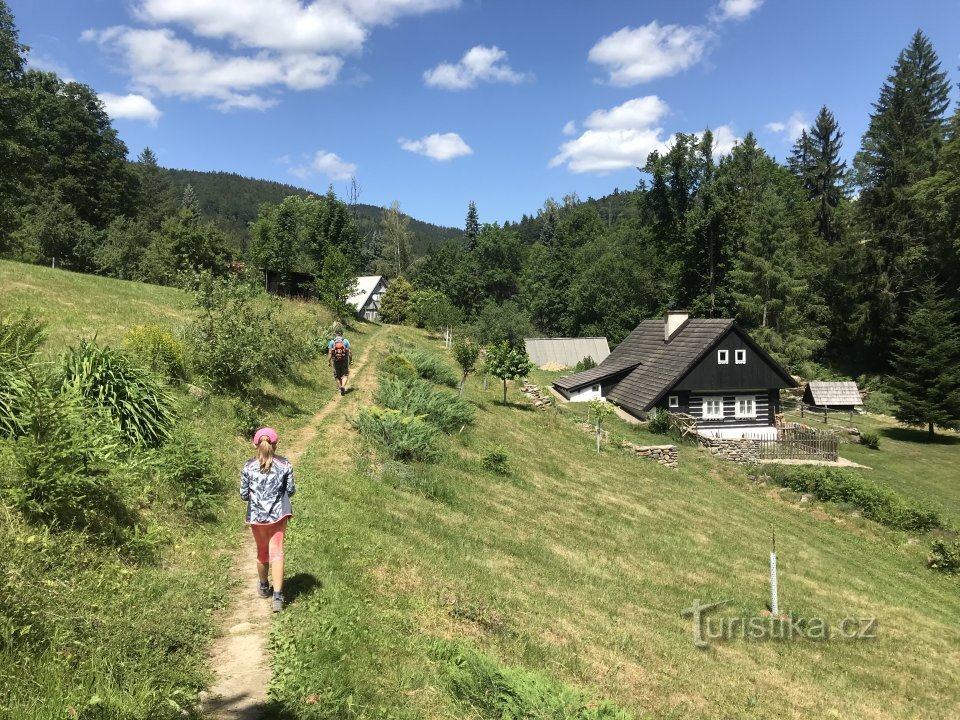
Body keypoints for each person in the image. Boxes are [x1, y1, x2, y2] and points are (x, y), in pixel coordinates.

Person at [240, 427, 295, 612]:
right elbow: (291, 490)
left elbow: (243, 495)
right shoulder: (285, 464)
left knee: (262, 551)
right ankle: (278, 597)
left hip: (256, 516)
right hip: (278, 514)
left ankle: (264, 586)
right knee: (277, 552)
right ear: (276, 444)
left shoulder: (248, 467)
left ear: (255, 445)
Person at [328, 331, 352, 396]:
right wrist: (350, 360)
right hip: (344, 360)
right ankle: (343, 387)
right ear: (341, 334)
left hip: (335, 360)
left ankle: (340, 388)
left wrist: (329, 361)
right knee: (345, 374)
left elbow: (330, 353)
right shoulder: (345, 341)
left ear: (335, 335)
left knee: (337, 375)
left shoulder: (332, 342)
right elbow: (349, 352)